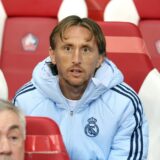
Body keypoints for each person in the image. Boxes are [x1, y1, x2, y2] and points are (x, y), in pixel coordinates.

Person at [13, 15, 148, 160]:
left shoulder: (125, 103)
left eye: (86, 50)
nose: (76, 59)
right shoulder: (24, 101)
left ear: (100, 59)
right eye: (68, 48)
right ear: (52, 55)